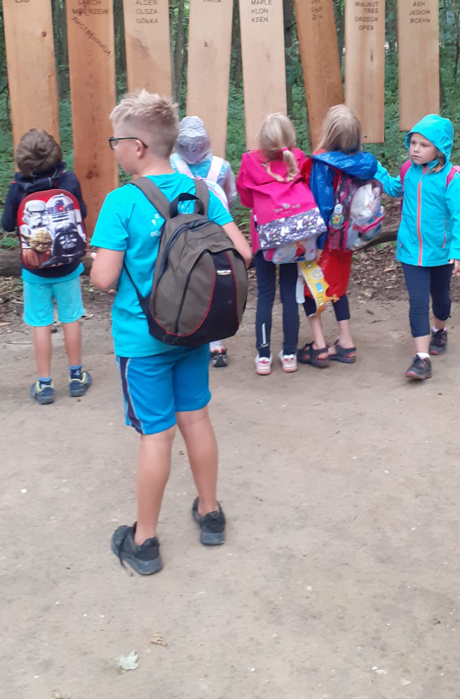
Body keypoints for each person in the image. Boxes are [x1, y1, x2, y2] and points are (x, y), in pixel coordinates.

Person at [90, 90, 251, 576]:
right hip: (195, 330)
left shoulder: (120, 202)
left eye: (116, 141)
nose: (114, 149)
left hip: (143, 342)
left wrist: (99, 257)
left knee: (156, 436)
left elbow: (103, 279)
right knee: (196, 419)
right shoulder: (201, 193)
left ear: (137, 147)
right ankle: (210, 513)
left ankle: (144, 542)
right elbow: (243, 253)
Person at [374, 114, 460, 381]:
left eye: (424, 145)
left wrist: (459, 254)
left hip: (440, 253)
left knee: (441, 300)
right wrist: (375, 170)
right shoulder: (408, 170)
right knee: (417, 302)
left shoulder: (451, 179)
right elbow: (394, 188)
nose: (415, 149)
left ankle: (440, 330)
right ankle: (422, 358)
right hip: (410, 251)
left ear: (440, 150)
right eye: (413, 143)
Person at [1, 128, 91, 405]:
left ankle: (45, 385)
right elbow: (82, 212)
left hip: (34, 271)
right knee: (70, 319)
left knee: (41, 324)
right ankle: (76, 378)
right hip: (68, 266)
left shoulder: (17, 188)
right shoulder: (69, 180)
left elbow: (7, 225)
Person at [299, 104, 383, 368]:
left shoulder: (321, 163)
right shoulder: (363, 163)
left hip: (323, 240)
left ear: (329, 133)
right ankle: (345, 341)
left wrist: (316, 244)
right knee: (338, 287)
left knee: (310, 289)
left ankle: (319, 345)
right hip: (347, 238)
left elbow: (321, 205)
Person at [236, 113, 308, 375]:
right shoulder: (298, 157)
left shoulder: (249, 161)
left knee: (265, 294)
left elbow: (246, 199)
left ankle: (263, 356)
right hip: (293, 238)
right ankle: (289, 354)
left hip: (263, 238)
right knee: (289, 293)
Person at [171, 115, 238, 367]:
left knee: (187, 282)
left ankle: (190, 334)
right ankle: (216, 344)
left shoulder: (171, 165)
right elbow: (231, 198)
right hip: (216, 234)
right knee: (216, 284)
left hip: (184, 235)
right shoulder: (222, 167)